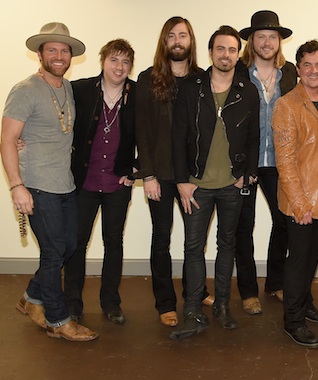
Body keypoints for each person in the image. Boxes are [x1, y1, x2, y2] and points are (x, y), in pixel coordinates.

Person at [1, 22, 97, 341]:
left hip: (65, 183)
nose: (58, 56)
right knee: (54, 251)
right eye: (52, 50)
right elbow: (7, 139)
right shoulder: (25, 89)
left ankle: (31, 297)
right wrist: (17, 186)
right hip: (37, 185)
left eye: (64, 50)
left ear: (71, 56)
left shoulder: (66, 87)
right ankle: (58, 319)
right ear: (40, 53)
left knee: (68, 246)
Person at [170, 25, 260, 340]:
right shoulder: (191, 87)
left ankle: (222, 305)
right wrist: (181, 180)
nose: (226, 55)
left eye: (232, 49)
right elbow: (178, 136)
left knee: (227, 245)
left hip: (231, 186)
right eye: (220, 49)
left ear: (238, 54)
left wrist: (247, 174)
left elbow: (253, 138)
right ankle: (192, 308)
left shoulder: (247, 90)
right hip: (196, 185)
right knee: (193, 248)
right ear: (211, 53)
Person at [136, 17, 213, 328]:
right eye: (172, 36)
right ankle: (165, 302)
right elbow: (141, 129)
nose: (178, 41)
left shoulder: (201, 79)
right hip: (160, 175)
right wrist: (148, 175)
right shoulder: (148, 78)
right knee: (161, 239)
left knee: (195, 241)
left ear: (191, 41)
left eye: (183, 35)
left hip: (193, 177)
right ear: (164, 42)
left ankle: (198, 290)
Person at [63, 39, 137, 325]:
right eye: (113, 60)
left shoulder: (138, 95)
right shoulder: (80, 90)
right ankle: (72, 305)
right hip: (83, 183)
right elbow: (57, 122)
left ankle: (111, 303)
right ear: (102, 61)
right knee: (76, 244)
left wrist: (137, 169)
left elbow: (153, 134)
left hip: (118, 185)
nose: (119, 67)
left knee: (113, 243)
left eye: (125, 62)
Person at [272, 40, 318, 348]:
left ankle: (306, 303)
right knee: (298, 261)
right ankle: (293, 321)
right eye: (308, 65)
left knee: (313, 255)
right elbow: (284, 160)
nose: (314, 70)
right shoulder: (287, 105)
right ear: (298, 69)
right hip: (301, 199)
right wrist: (300, 204)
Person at [234, 10, 296, 315]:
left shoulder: (293, 74)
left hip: (280, 162)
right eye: (261, 36)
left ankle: (275, 281)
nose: (268, 42)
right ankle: (248, 291)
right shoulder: (237, 73)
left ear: (279, 42)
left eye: (273, 37)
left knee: (284, 220)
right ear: (251, 41)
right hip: (245, 162)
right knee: (243, 226)